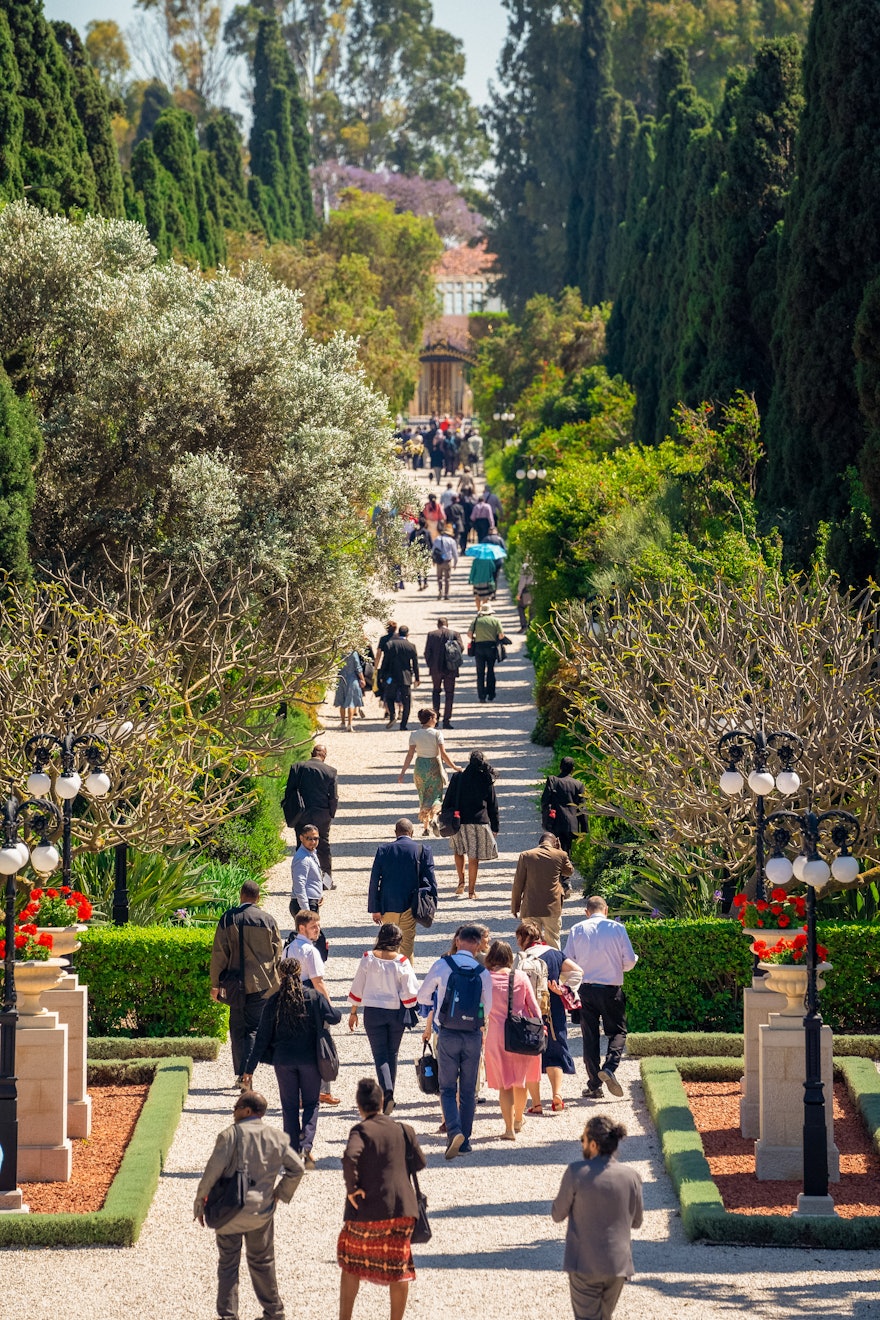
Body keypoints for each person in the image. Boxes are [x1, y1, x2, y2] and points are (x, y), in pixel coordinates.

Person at [195, 1090, 304, 1320]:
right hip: (262, 1213)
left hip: (228, 1212)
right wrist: (279, 1193)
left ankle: (228, 1316)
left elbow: (211, 1174)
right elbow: (298, 1169)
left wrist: (200, 1201)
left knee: (228, 1265)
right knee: (263, 1263)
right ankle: (274, 1313)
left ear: (246, 1110)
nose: (233, 1112)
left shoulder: (229, 1136)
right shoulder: (277, 1137)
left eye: (236, 1107)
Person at [338, 1077, 426, 1320]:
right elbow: (420, 1162)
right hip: (402, 1209)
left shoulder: (360, 1131)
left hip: (366, 1210)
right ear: (381, 1103)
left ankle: (345, 1317)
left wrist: (352, 1187)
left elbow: (349, 1157)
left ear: (359, 1107)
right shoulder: (404, 1130)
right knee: (400, 1267)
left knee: (350, 1263)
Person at [241, 958, 341, 1168]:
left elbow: (261, 1039)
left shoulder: (274, 1001)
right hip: (310, 1060)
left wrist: (249, 1070)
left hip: (283, 1061)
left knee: (289, 1106)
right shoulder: (313, 996)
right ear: (299, 973)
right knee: (312, 1103)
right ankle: (306, 1147)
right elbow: (334, 1017)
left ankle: (293, 1152)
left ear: (280, 975)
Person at [551, 1115, 644, 1320]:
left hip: (584, 1263)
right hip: (618, 1266)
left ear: (593, 1144)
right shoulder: (632, 1176)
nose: (582, 1144)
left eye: (583, 1139)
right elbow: (636, 1222)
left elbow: (558, 1214)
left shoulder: (576, 1172)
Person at [417, 924, 492, 1159]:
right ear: (479, 945)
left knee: (447, 1088)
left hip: (448, 1032)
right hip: (472, 1034)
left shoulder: (443, 965)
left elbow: (422, 995)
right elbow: (487, 1008)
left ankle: (454, 1131)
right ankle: (466, 1140)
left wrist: (435, 1006)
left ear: (458, 940)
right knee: (468, 1090)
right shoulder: (482, 972)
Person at [564, 897, 638, 1100]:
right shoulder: (617, 928)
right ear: (606, 910)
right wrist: (618, 967)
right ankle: (610, 1067)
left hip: (586, 990)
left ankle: (594, 1085)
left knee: (590, 1037)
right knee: (618, 1031)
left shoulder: (577, 929)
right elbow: (630, 961)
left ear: (587, 911)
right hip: (611, 989)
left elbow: (567, 960)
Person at [210, 881, 281, 1088]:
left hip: (235, 983)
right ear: (258, 898)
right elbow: (277, 953)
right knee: (253, 1029)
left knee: (237, 1029)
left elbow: (219, 954)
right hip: (262, 983)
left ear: (241, 896)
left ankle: (242, 1073)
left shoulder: (229, 918)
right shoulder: (268, 920)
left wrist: (215, 983)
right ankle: (247, 1075)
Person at [347, 924, 420, 1113]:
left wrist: (353, 1011)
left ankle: (387, 1094)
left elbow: (358, 986)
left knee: (380, 1055)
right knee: (392, 1054)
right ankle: (390, 1094)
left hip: (372, 1012)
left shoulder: (368, 958)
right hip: (395, 1012)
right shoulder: (402, 961)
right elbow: (411, 992)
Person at [516, 920, 582, 1114]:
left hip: (528, 1012)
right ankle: (557, 1095)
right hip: (552, 1009)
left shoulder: (521, 958)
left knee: (531, 1056)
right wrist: (563, 989)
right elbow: (578, 972)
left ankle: (536, 1104)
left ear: (522, 938)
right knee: (555, 1052)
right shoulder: (555, 953)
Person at [482, 939, 542, 1141]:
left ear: (491, 958)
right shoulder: (521, 977)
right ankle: (518, 1119)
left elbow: (480, 1008)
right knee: (520, 1080)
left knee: (504, 1085)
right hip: (520, 1032)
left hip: (496, 1035)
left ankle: (508, 1129)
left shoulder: (485, 978)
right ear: (509, 958)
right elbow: (534, 1008)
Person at [284, 910, 340, 1103]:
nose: (318, 930)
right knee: (321, 1046)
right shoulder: (311, 951)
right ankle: (320, 1091)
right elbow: (318, 982)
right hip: (312, 1001)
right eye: (313, 927)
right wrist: (329, 1007)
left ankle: (305, 1093)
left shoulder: (288, 949)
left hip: (292, 1000)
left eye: (318, 926)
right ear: (302, 928)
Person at [368, 818, 437, 962]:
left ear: (395, 833)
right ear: (412, 832)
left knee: (388, 944)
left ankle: (388, 977)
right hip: (411, 905)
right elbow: (430, 880)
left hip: (387, 905)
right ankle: (405, 979)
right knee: (406, 946)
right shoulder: (423, 850)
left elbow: (375, 881)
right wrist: (432, 904)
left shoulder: (383, 850)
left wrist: (375, 908)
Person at [441, 749, 499, 899]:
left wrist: (445, 815)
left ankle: (461, 882)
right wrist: (495, 826)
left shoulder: (458, 777)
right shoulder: (486, 778)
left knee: (459, 851)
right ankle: (471, 892)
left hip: (458, 821)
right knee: (474, 857)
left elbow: (448, 799)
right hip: (479, 822)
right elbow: (493, 804)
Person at [398, 708, 460, 836]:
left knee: (423, 795)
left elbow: (410, 755)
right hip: (433, 766)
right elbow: (443, 754)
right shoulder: (437, 734)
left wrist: (403, 772)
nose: (436, 720)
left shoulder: (414, 734)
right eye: (435, 718)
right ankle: (434, 818)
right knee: (436, 795)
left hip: (420, 766)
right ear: (430, 719)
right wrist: (454, 766)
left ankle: (425, 827)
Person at [281, 745, 338, 878]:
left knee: (301, 844)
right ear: (324, 756)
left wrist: (290, 812)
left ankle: (301, 877)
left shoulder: (297, 767)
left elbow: (289, 792)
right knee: (323, 846)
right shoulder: (330, 771)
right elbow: (333, 797)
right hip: (322, 815)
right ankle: (326, 880)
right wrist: (331, 814)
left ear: (311, 753)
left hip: (301, 814)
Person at [511, 831, 574, 949]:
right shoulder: (560, 855)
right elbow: (569, 871)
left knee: (530, 942)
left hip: (531, 906)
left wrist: (515, 906)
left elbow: (518, 883)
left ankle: (531, 966)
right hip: (552, 906)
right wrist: (560, 850)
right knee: (553, 940)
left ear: (539, 843)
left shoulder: (526, 855)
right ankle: (554, 965)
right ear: (555, 843)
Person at [424, 615, 464, 729]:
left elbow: (427, 652)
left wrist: (431, 665)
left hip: (436, 669)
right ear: (447, 624)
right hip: (451, 668)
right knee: (449, 694)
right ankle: (447, 720)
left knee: (436, 692)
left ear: (438, 624)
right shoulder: (455, 634)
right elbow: (461, 648)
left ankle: (435, 719)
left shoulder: (432, 634)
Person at [542, 757, 587, 856]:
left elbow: (545, 801)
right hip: (571, 824)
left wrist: (546, 819)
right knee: (567, 850)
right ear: (573, 769)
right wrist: (584, 830)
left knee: (554, 849)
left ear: (560, 767)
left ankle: (556, 869)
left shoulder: (553, 781)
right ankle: (565, 868)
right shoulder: (579, 785)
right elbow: (582, 808)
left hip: (555, 822)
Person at [382, 624, 420, 730]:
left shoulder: (390, 644)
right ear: (408, 634)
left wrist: (382, 675)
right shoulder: (411, 646)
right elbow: (415, 664)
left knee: (389, 697)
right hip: (406, 678)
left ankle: (392, 714)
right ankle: (403, 724)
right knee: (406, 701)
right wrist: (417, 678)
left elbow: (385, 661)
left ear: (398, 634)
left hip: (391, 677)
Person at [468, 602, 505, 702]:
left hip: (479, 648)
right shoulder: (496, 620)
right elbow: (501, 635)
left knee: (480, 673)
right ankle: (491, 694)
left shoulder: (476, 620)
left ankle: (481, 696)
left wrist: (477, 637)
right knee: (490, 670)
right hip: (491, 647)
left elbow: (469, 634)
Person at [290, 823, 324, 917]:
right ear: (301, 838)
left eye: (316, 838)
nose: (313, 842)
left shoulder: (312, 853)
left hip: (312, 901)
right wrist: (306, 911)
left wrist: (319, 894)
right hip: (305, 904)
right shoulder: (302, 858)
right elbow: (299, 885)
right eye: (309, 838)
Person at [334, 649, 366, 731]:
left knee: (342, 702)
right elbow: (358, 667)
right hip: (352, 679)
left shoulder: (339, 651)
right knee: (351, 702)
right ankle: (349, 724)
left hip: (341, 678)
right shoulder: (353, 653)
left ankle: (343, 722)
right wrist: (362, 679)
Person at [375, 620, 398, 718]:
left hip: (387, 667)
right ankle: (400, 709)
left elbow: (379, 654)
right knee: (398, 688)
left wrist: (375, 667)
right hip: (398, 667)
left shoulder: (383, 639)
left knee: (387, 688)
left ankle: (387, 710)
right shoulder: (399, 638)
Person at [431, 521, 459, 599]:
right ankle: (446, 594)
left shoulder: (437, 539)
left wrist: (433, 560)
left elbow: (433, 551)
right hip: (447, 562)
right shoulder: (452, 541)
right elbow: (455, 553)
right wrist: (455, 563)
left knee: (439, 578)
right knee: (447, 579)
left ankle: (440, 591)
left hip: (439, 562)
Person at [408, 515, 432, 591]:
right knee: (425, 568)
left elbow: (410, 543)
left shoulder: (413, 533)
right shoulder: (427, 532)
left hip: (417, 553)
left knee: (418, 569)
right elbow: (431, 543)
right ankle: (425, 582)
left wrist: (410, 553)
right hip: (425, 552)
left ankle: (420, 584)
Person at [516, 562, 535, 632]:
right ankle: (531, 626)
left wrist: (519, 593)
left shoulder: (525, 569)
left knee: (521, 607)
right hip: (536, 590)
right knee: (532, 609)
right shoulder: (536, 568)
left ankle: (524, 626)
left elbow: (522, 583)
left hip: (528, 591)